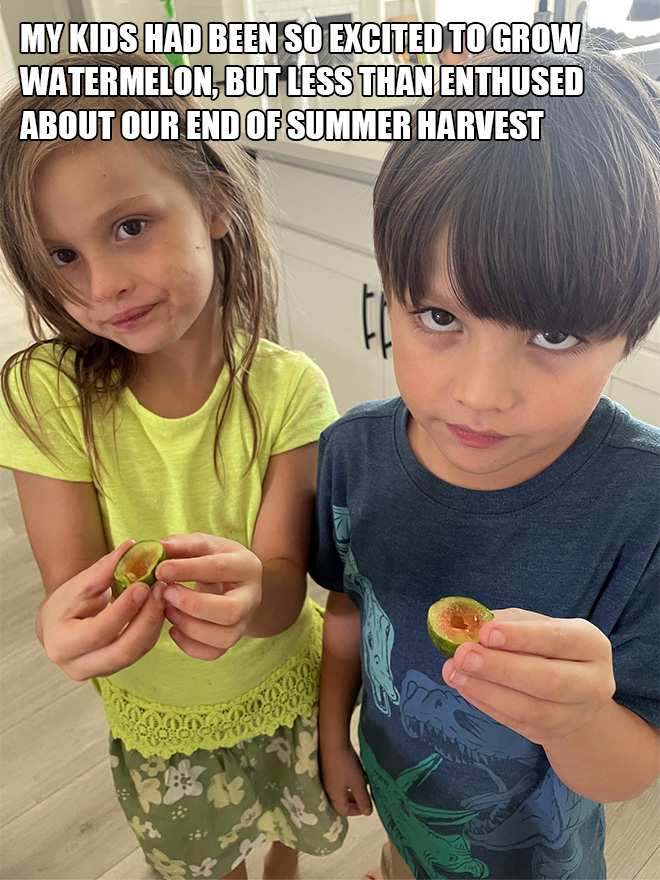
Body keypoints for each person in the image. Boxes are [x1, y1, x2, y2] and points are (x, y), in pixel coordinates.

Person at [310, 48, 660, 880]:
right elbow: (347, 610)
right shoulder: (350, 453)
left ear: (631, 334)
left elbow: (631, 766)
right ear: (386, 296)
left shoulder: (643, 509)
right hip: (407, 819)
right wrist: (333, 734)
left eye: (553, 336)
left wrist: (576, 719)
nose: (480, 392)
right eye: (437, 314)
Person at [0, 51, 347, 880]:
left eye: (129, 227)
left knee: (282, 831)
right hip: (161, 719)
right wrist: (70, 627)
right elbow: (72, 583)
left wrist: (256, 589)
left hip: (281, 686)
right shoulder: (46, 396)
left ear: (216, 203)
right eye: (62, 256)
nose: (105, 284)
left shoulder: (289, 388)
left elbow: (287, 583)